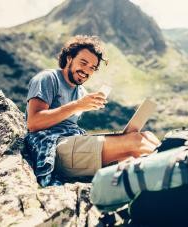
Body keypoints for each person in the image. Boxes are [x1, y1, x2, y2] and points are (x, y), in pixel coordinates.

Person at [24, 35, 160, 187]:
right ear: (69, 59)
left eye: (92, 68)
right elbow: (33, 123)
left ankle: (171, 172)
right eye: (83, 63)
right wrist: (77, 105)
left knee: (145, 137)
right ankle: (175, 166)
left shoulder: (81, 91)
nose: (86, 71)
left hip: (73, 144)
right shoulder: (48, 78)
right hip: (52, 147)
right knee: (135, 142)